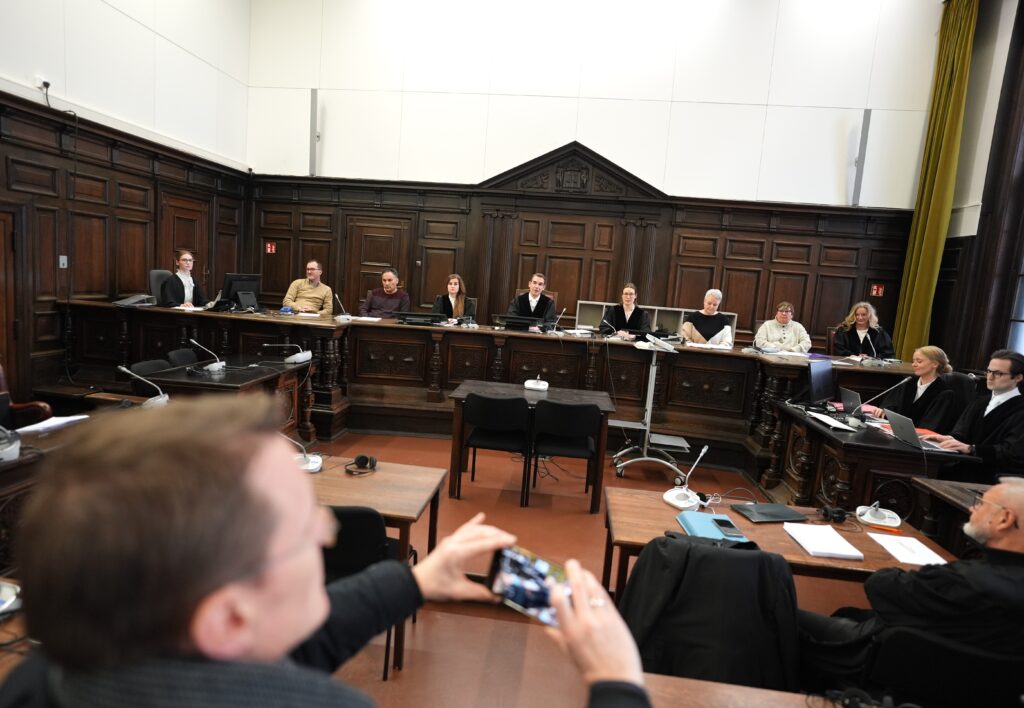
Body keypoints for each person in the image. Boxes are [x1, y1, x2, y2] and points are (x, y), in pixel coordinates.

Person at [2, 394, 650, 708]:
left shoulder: (42, 679)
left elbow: (261, 659)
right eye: (302, 527)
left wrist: (415, 582)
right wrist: (617, 683)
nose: (327, 533)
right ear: (227, 615)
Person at [798, 477, 1024, 690]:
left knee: (779, 591)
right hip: (968, 688)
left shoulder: (965, 580)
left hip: (877, 661)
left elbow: (881, 586)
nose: (973, 508)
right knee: (848, 612)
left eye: (982, 504)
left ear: (1004, 519)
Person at [924, 348, 1024, 482]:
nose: (990, 377)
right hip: (965, 467)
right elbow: (962, 433)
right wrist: (948, 438)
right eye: (989, 371)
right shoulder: (980, 402)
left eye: (998, 373)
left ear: (1018, 377)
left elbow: (1013, 453)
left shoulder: (1020, 409)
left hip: (995, 477)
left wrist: (971, 449)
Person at [869, 346, 958, 433]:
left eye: (919, 361)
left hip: (920, 438)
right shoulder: (908, 383)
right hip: (896, 432)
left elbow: (932, 426)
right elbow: (892, 406)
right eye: (913, 361)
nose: (914, 365)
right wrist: (884, 410)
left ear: (935, 364)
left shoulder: (944, 393)